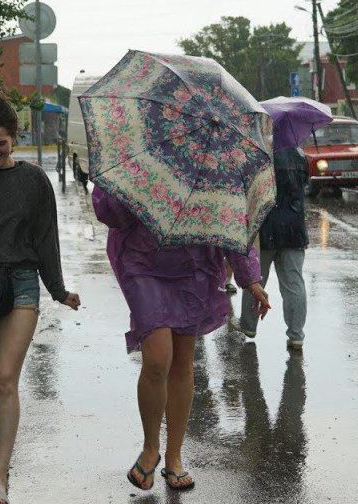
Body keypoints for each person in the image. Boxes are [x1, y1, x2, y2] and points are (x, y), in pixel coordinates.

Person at [91, 185, 270, 492]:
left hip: (194, 266)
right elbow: (108, 213)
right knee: (158, 357)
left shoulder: (213, 162)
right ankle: (150, 449)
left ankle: (174, 456)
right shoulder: (141, 149)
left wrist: (251, 279)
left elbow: (231, 221)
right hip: (142, 263)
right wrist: (132, 191)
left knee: (183, 361)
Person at [0, 95, 81, 504]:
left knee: (5, 378)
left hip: (21, 281)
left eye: (1, 144)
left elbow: (45, 237)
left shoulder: (33, 181)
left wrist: (58, 289)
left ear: (15, 138)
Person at [239, 145, 310, 349]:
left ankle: (249, 326)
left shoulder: (259, 154)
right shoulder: (299, 155)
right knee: (294, 283)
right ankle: (296, 335)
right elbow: (304, 185)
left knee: (255, 279)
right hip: (294, 229)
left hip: (265, 228)